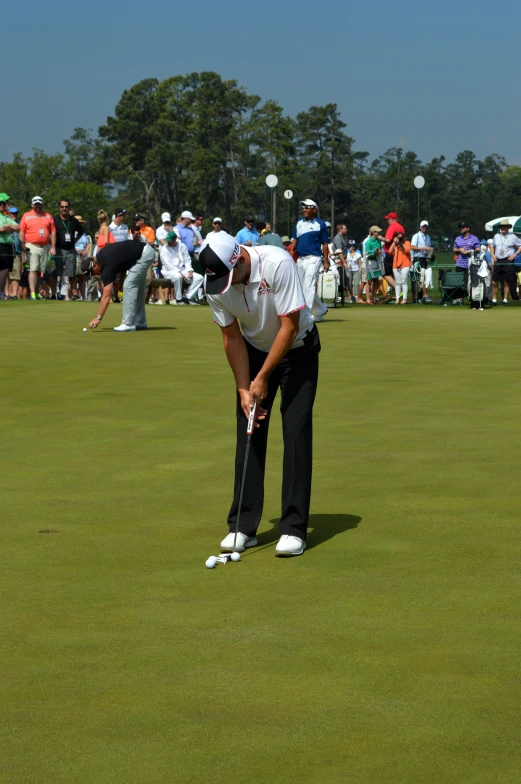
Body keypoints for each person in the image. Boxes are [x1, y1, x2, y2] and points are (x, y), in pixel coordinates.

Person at [199, 231, 320, 558]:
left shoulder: (278, 263)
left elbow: (289, 326)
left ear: (238, 260)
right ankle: (242, 525)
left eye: (228, 277)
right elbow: (232, 336)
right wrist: (244, 387)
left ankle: (294, 529)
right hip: (252, 351)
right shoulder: (217, 283)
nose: (224, 286)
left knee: (295, 430)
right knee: (249, 428)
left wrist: (263, 377)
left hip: (297, 351)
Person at [87, 225, 155, 332]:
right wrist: (122, 278)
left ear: (95, 266)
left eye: (92, 272)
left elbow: (106, 296)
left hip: (143, 254)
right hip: (143, 251)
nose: (93, 275)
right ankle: (140, 322)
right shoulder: (102, 255)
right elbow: (123, 260)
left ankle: (128, 323)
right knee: (138, 288)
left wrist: (98, 318)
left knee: (129, 286)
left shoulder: (106, 266)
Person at [287, 199, 329, 322]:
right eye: (303, 207)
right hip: (301, 259)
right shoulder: (299, 222)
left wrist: (326, 261)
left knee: (309, 286)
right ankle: (321, 309)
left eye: (307, 207)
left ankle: (306, 316)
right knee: (301, 287)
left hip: (314, 258)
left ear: (314, 209)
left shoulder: (320, 224)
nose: (304, 209)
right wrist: (291, 250)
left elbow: (325, 244)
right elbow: (295, 238)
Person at [19, 196, 56, 300]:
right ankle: (33, 294)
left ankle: (36, 291)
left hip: (44, 247)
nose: (37, 205)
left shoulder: (48, 216)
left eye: (39, 203)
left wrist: (53, 247)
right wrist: (22, 244)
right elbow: (22, 231)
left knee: (41, 270)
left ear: (42, 204)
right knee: (33, 269)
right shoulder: (26, 216)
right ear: (32, 205)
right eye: (36, 204)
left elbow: (53, 232)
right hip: (31, 245)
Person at [53, 198, 85, 301]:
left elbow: (80, 232)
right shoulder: (55, 219)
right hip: (58, 249)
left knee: (71, 273)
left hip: (71, 249)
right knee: (56, 272)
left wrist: (74, 241)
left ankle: (75, 294)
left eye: (66, 207)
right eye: (62, 207)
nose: (64, 208)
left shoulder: (74, 220)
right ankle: (53, 294)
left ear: (69, 208)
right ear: (59, 208)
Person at [159, 230, 203, 305]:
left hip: (182, 269)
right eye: (168, 241)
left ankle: (187, 297)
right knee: (178, 276)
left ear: (175, 239)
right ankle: (179, 299)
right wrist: (180, 273)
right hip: (168, 271)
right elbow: (168, 264)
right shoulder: (164, 249)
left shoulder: (182, 246)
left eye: (170, 241)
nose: (168, 243)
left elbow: (187, 259)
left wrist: (190, 270)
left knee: (199, 278)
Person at [488, 219, 521, 306]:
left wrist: (515, 255)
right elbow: (492, 246)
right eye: (502, 226)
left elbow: (520, 247)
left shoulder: (513, 236)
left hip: (508, 260)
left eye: (505, 226)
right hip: (498, 260)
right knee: (494, 281)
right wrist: (492, 255)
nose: (503, 228)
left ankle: (505, 300)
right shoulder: (496, 236)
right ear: (500, 228)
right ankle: (494, 300)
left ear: (508, 228)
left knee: (507, 281)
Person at [377, 211, 404, 298]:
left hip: (390, 253)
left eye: (388, 219)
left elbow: (388, 240)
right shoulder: (401, 227)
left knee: (386, 274)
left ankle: (398, 290)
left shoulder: (392, 227)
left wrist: (380, 237)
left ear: (392, 219)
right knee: (396, 273)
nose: (387, 221)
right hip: (399, 253)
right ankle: (402, 291)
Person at [453, 222, 480, 305]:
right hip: (460, 263)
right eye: (460, 227)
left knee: (471, 281)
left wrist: (469, 251)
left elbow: (478, 249)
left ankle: (472, 298)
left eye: (463, 227)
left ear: (468, 228)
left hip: (470, 263)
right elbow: (454, 249)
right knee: (458, 282)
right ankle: (458, 299)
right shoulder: (457, 238)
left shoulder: (474, 238)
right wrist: (460, 250)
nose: (461, 229)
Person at [0, 194, 19, 297]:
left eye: (5, 203)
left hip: (8, 246)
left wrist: (9, 226)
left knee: (6, 269)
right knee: (3, 269)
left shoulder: (6, 217)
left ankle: (1, 292)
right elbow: (1, 229)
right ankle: (1, 292)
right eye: (2, 203)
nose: (4, 205)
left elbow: (18, 227)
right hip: (0, 245)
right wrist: (7, 228)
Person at [410, 221, 433, 303]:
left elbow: (429, 248)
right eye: (423, 226)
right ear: (420, 227)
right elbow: (412, 247)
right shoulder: (416, 236)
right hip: (417, 258)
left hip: (424, 258)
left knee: (424, 277)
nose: (425, 227)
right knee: (417, 278)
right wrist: (424, 248)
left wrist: (429, 256)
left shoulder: (428, 237)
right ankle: (416, 297)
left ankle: (423, 296)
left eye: (426, 226)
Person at [361, 226, 384, 304]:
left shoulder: (378, 241)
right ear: (373, 232)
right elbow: (367, 253)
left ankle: (374, 298)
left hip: (376, 262)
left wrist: (379, 252)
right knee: (369, 281)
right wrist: (374, 252)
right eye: (377, 231)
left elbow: (380, 250)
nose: (378, 233)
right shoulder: (368, 242)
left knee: (375, 281)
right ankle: (368, 299)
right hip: (369, 263)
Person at [390, 232, 412, 304]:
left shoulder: (407, 242)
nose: (399, 239)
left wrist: (401, 243)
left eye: (400, 237)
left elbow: (407, 250)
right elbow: (390, 252)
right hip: (395, 265)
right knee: (397, 283)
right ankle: (397, 299)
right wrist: (394, 242)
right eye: (398, 237)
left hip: (405, 264)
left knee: (404, 282)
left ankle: (404, 299)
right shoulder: (395, 245)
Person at [7, 206, 22, 299]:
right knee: (6, 274)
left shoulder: (20, 223)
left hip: (17, 252)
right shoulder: (4, 222)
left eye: (16, 213)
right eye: (12, 213)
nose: (14, 215)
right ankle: (7, 294)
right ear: (8, 213)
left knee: (16, 275)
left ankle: (13, 295)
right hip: (6, 251)